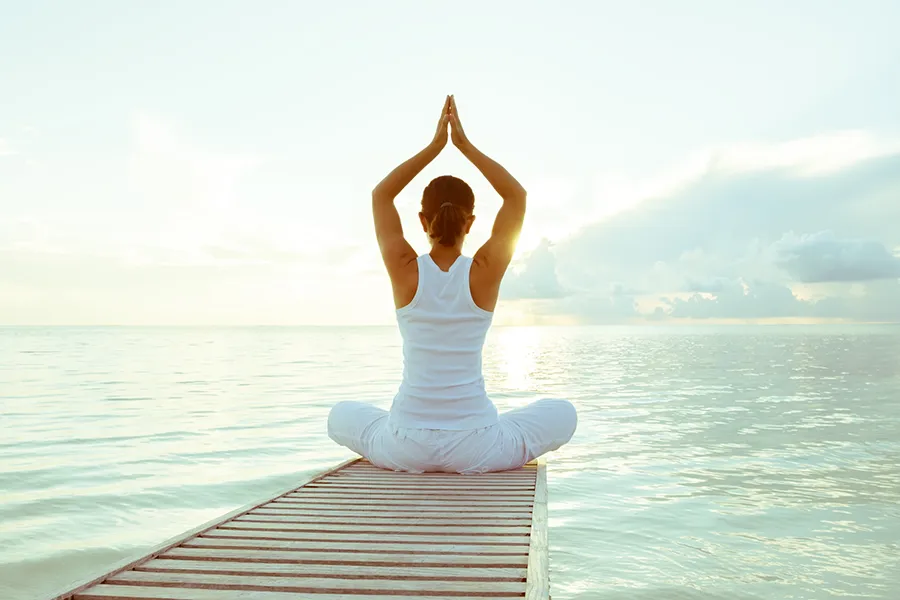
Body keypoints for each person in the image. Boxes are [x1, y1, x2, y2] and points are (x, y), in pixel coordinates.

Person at [327, 95, 577, 473]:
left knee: (340, 415)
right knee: (563, 412)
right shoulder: (484, 270)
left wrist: (434, 147)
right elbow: (516, 196)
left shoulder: (405, 269)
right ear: (471, 223)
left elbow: (381, 195)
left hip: (405, 444)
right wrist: (463, 146)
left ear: (423, 220)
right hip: (477, 445)